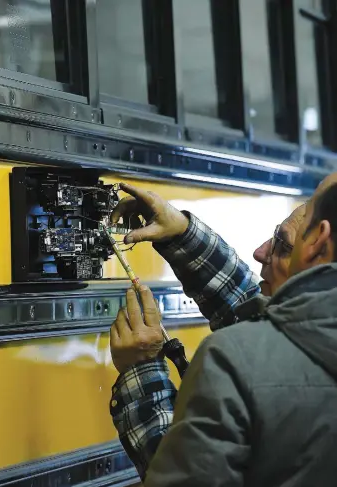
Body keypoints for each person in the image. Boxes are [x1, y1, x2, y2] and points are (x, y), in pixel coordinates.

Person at [109, 174, 337, 486]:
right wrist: (184, 235)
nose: (260, 251)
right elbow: (279, 326)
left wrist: (142, 374)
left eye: (283, 243)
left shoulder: (233, 362)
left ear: (318, 243)